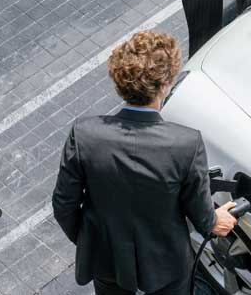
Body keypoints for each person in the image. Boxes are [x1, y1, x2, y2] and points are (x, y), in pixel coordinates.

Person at [51, 31, 237, 295]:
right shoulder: (186, 144)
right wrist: (215, 220)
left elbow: (63, 205)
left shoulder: (84, 134)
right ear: (165, 84)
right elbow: (200, 213)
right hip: (167, 267)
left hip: (107, 260)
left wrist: (89, 239)